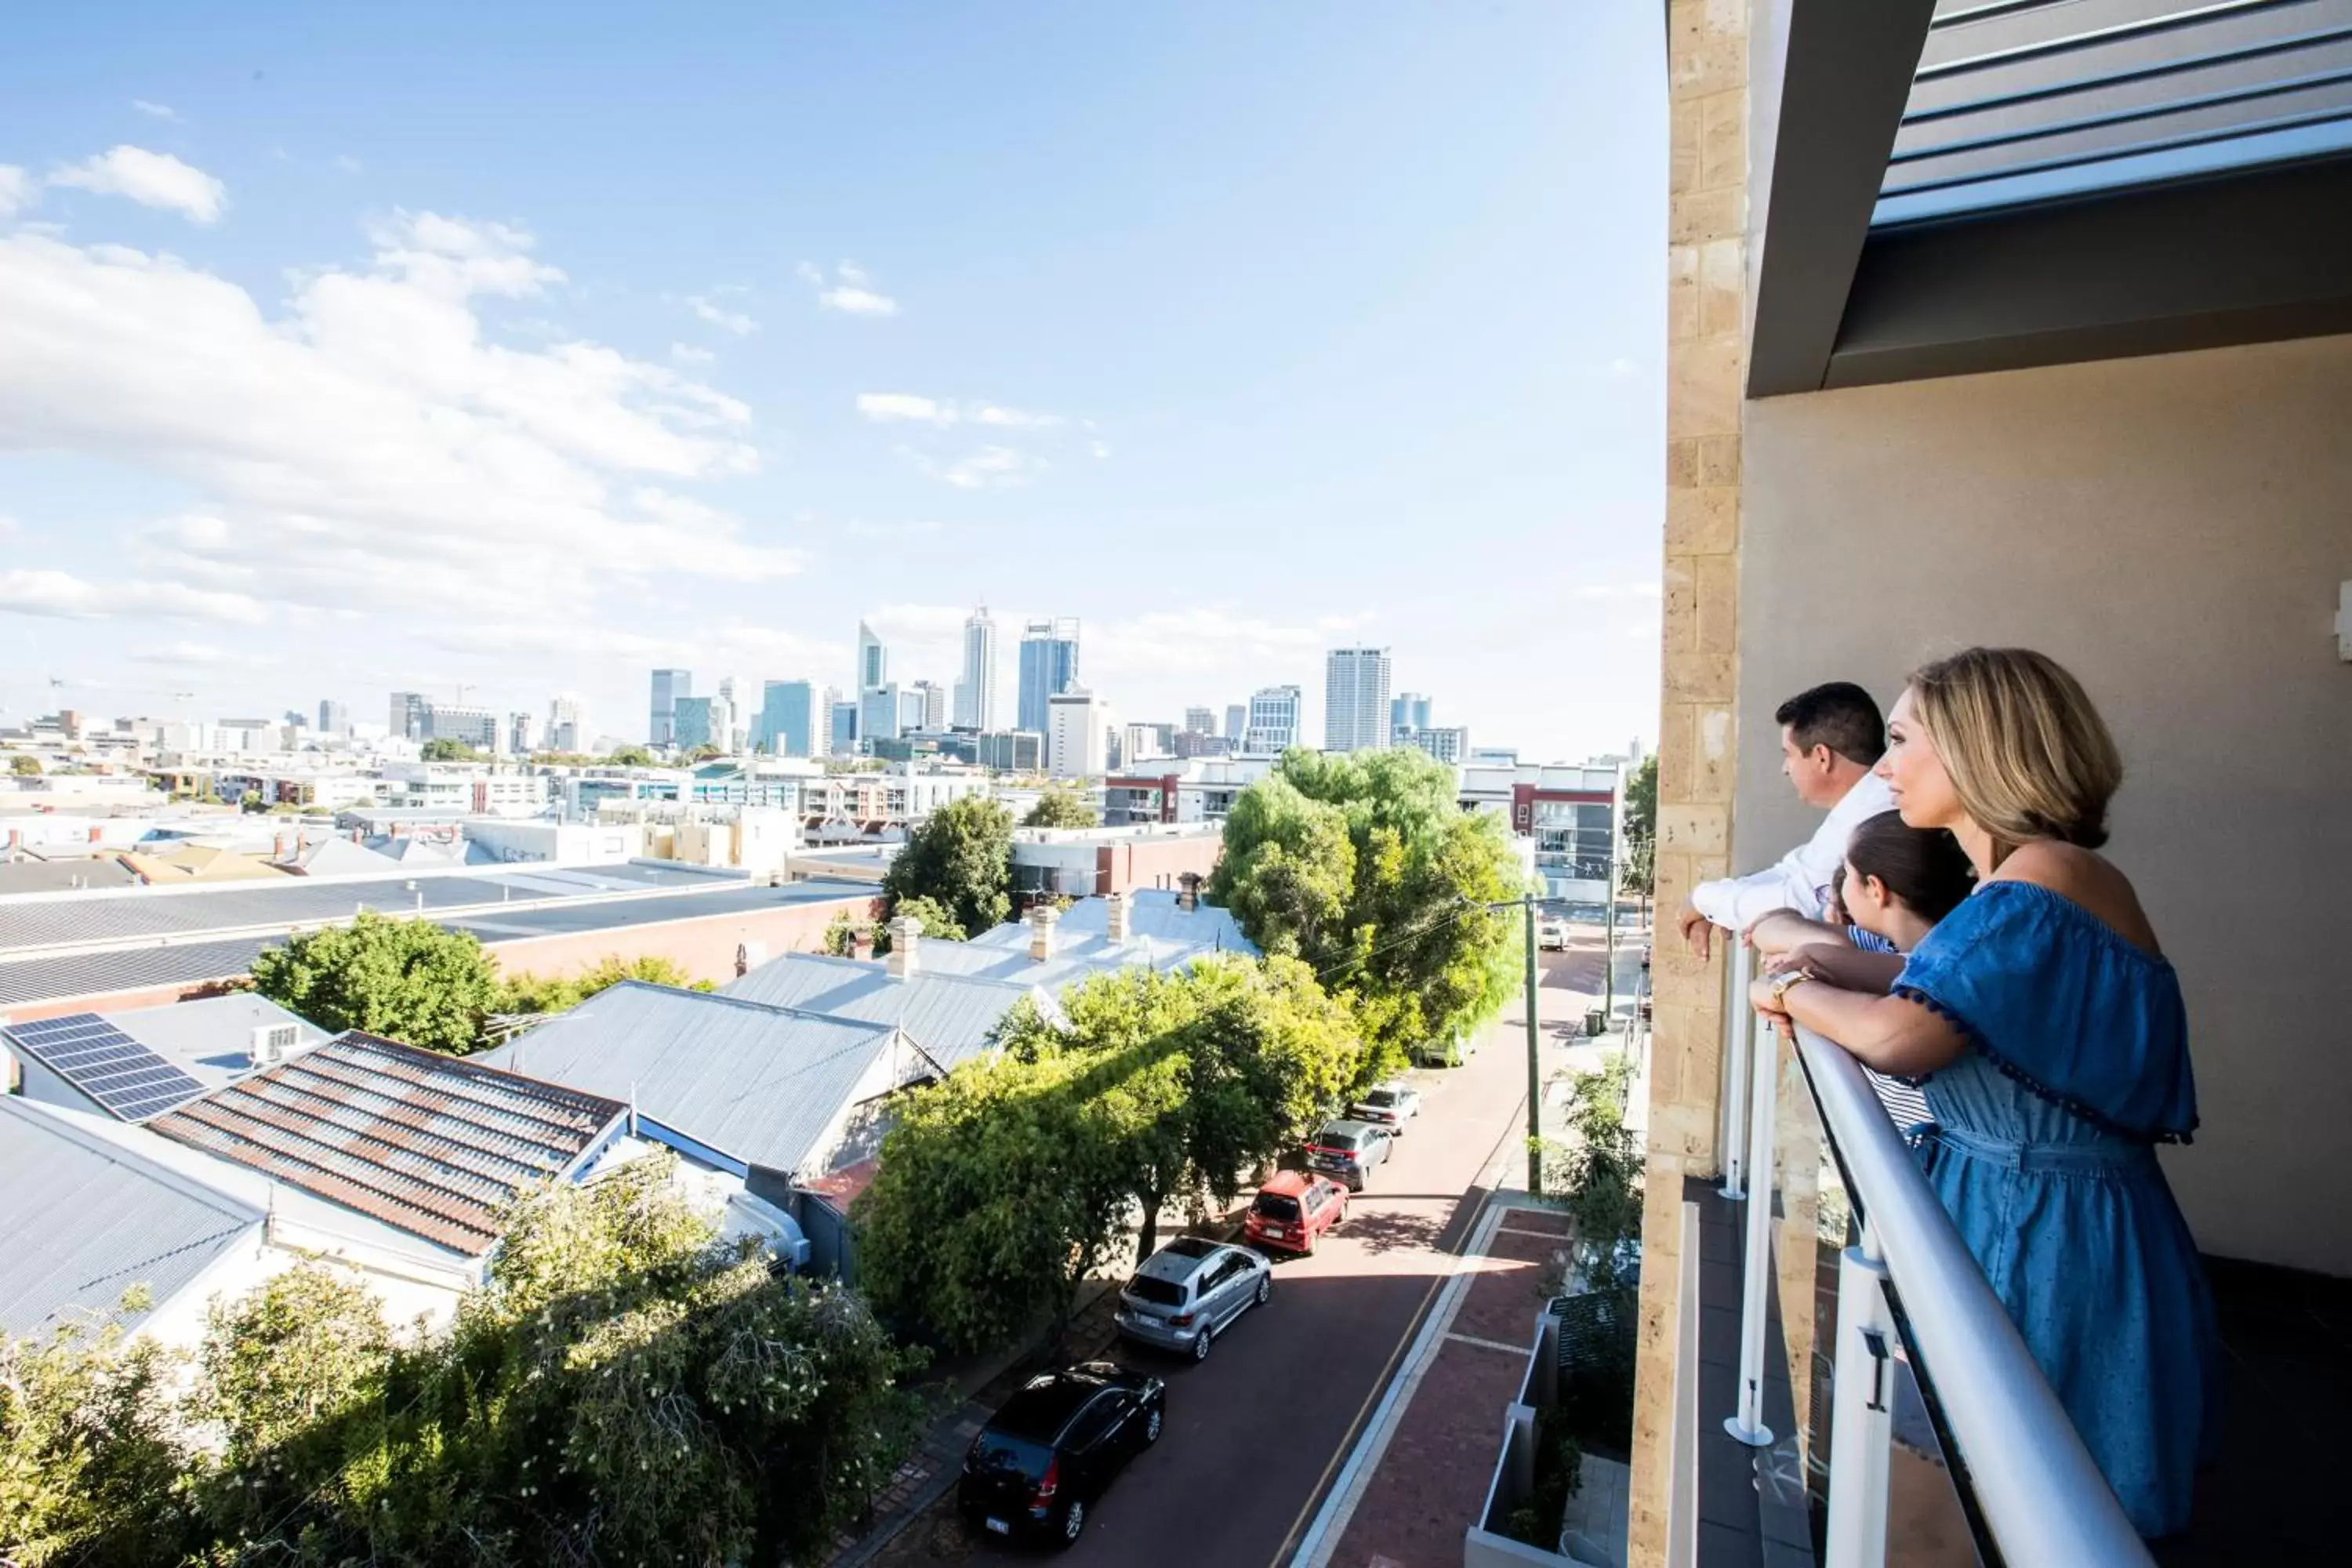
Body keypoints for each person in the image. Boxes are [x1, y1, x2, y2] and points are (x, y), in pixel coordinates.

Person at [1748, 648, 2215, 1539]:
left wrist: (1791, 991)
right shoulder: (2036, 881)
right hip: (2052, 1228)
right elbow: (1924, 976)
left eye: (1901, 738)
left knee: (1951, 1519)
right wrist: (1819, 960)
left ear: (1981, 749)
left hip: (2046, 1245)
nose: (1884, 767)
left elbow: (1902, 1033)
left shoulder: (2039, 880)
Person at [1677, 681, 1895, 957]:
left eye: (1788, 755)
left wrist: (1702, 900)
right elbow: (1793, 870)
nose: (1785, 769)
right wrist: (1713, 905)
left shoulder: (1873, 813)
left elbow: (1801, 903)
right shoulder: (1862, 801)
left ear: (1821, 757)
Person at [1745, 808, 1976, 992]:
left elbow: (1814, 955)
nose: (1839, 883)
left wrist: (1815, 953)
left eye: (1848, 873)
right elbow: (1768, 927)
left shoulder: (1931, 963)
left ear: (1875, 889)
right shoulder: (1882, 944)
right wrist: (1833, 947)